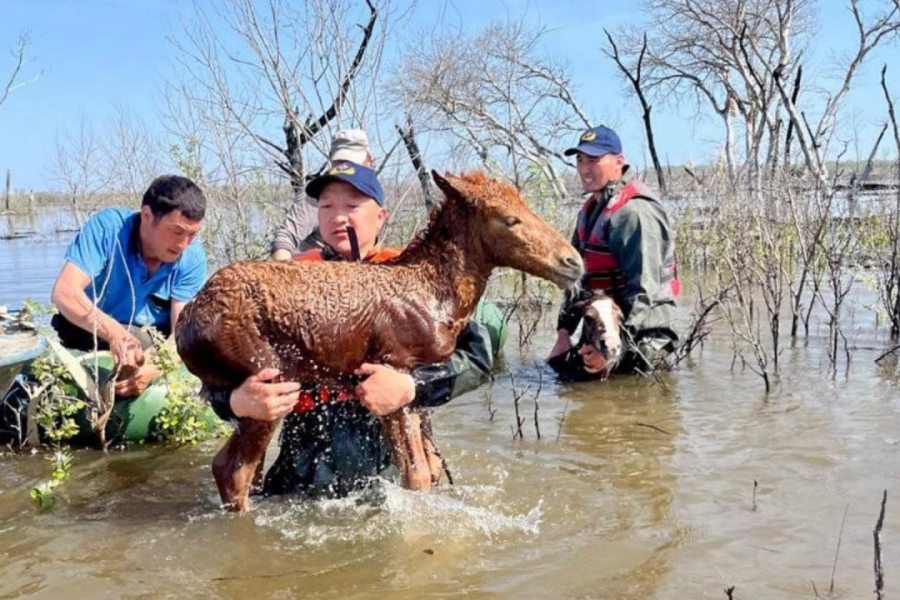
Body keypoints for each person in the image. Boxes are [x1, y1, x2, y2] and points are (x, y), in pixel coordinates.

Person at [208, 162, 503, 498]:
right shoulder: (287, 280)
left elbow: (478, 359)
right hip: (305, 457)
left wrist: (411, 386)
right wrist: (235, 401)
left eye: (352, 206)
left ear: (380, 216)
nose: (338, 217)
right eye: (326, 207)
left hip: (390, 457)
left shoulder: (419, 277)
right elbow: (218, 373)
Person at [50, 175, 207, 397]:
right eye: (177, 231)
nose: (183, 244)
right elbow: (64, 292)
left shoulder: (192, 257)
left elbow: (181, 334)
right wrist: (115, 334)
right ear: (147, 216)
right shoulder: (108, 229)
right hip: (88, 327)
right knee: (133, 339)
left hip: (150, 340)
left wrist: (153, 369)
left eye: (192, 235)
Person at [547, 125, 679, 380]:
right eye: (580, 160)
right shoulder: (589, 210)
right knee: (558, 371)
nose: (584, 169)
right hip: (604, 330)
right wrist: (564, 334)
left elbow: (643, 293)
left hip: (641, 335)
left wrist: (612, 350)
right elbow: (576, 281)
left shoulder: (633, 212)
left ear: (619, 162)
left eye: (594, 160)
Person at [271, 129, 374, 260]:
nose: (345, 168)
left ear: (369, 160)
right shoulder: (315, 194)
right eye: (340, 161)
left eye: (352, 162)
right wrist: (284, 274)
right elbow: (285, 238)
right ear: (331, 161)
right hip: (317, 273)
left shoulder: (371, 196)